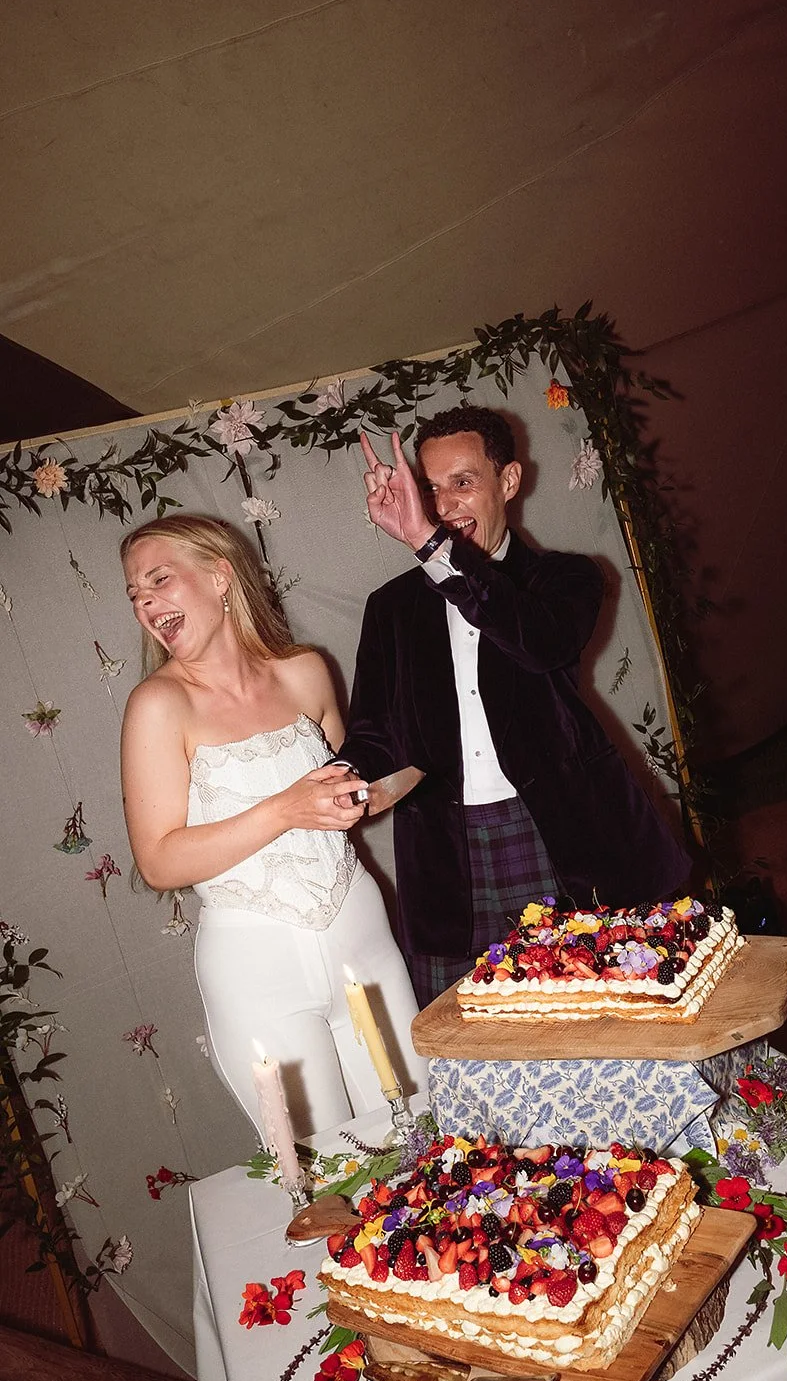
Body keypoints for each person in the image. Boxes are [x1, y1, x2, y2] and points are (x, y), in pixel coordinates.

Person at [336, 406, 693, 1006]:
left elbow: (539, 643)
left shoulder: (566, 578)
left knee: (608, 1016)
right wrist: (341, 779)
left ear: (508, 481)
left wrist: (429, 546)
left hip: (561, 836)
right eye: (431, 488)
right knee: (472, 1036)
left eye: (463, 482)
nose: (444, 505)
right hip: (447, 858)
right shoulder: (390, 608)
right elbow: (376, 733)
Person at [119, 514, 427, 1139]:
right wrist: (284, 809)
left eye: (159, 580)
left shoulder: (306, 670)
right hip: (257, 969)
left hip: (364, 938)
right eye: (135, 593)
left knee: (425, 1136)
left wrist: (402, 775)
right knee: (331, 1170)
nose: (145, 601)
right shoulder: (158, 705)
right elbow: (158, 861)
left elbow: (351, 788)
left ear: (220, 577)